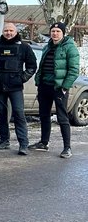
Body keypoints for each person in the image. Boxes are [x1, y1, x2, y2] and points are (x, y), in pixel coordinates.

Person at [31, 22, 80, 159]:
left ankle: (67, 148)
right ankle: (44, 143)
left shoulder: (70, 48)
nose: (55, 33)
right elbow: (42, 66)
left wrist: (65, 87)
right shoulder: (47, 47)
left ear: (63, 33)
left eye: (58, 31)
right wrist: (38, 82)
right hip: (44, 86)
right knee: (44, 115)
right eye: (53, 31)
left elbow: (74, 70)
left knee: (62, 117)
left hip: (59, 88)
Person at [0, 21, 37, 155]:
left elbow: (32, 66)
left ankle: (23, 144)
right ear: (2, 32)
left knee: (19, 114)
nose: (8, 33)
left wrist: (22, 78)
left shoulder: (24, 47)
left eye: (11, 31)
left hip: (16, 87)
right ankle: (4, 140)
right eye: (6, 31)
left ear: (16, 32)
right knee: (1, 114)